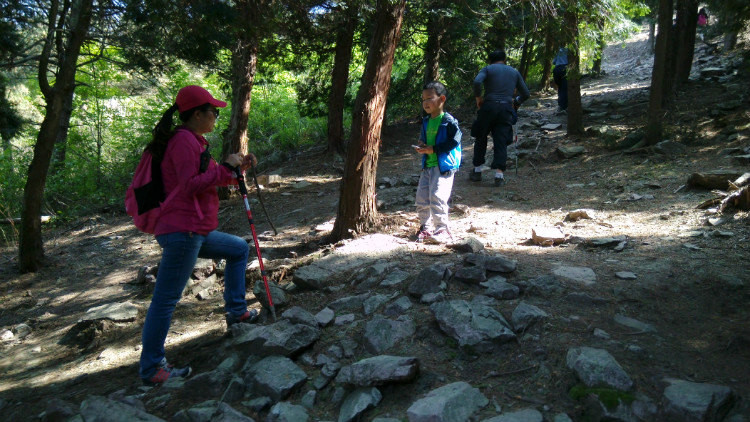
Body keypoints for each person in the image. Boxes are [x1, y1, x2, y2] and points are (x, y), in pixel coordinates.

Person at [139, 85, 259, 386]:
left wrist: (236, 169)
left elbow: (211, 179)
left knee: (237, 250)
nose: (216, 116)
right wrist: (227, 168)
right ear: (196, 114)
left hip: (195, 229)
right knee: (165, 300)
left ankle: (236, 312)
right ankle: (152, 368)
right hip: (183, 230)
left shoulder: (195, 142)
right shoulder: (183, 142)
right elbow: (189, 185)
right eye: (212, 111)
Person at [470, 49, 529, 186]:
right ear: (504, 59)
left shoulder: (487, 69)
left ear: (490, 60)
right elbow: (526, 93)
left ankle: (477, 171)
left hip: (488, 106)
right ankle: (499, 175)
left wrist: (479, 98)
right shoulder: (513, 72)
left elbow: (477, 82)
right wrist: (516, 102)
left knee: (481, 136)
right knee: (501, 140)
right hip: (506, 108)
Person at [413, 81, 462, 244]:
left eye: (429, 98)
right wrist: (422, 145)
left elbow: (455, 141)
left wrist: (433, 149)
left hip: (444, 166)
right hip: (427, 165)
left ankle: (442, 229)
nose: (425, 103)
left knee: (437, 196)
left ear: (442, 99)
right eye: (422, 100)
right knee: (421, 198)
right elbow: (426, 139)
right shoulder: (426, 121)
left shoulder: (448, 121)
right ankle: (425, 228)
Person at [552, 47, 568, 114]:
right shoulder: (568, 50)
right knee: (565, 88)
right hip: (564, 68)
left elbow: (553, 62)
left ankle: (561, 105)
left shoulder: (557, 50)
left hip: (557, 69)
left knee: (560, 87)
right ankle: (564, 106)